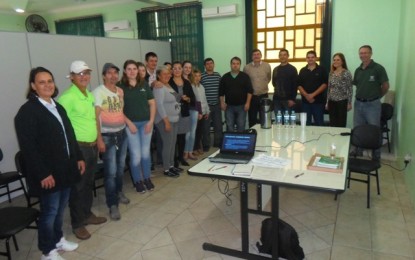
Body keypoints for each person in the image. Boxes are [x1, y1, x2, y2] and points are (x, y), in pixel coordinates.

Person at [15, 67, 84, 260]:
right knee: (50, 212)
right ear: (33, 86)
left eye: (50, 81)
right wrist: (43, 173)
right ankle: (47, 250)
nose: (47, 85)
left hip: (65, 169)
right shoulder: (27, 112)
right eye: (42, 82)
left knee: (61, 208)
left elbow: (69, 135)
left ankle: (58, 238)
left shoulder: (57, 106)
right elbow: (29, 149)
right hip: (48, 174)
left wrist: (78, 156)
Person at [58, 61, 107, 241]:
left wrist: (99, 138)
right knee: (78, 187)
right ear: (71, 77)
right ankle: (78, 224)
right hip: (79, 148)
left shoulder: (88, 94)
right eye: (80, 74)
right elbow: (62, 127)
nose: (84, 76)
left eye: (86, 73)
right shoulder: (67, 97)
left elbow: (94, 119)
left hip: (92, 145)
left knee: (88, 183)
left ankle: (87, 214)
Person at [93, 63, 136, 221]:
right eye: (109, 73)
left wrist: (127, 124)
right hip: (107, 136)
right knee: (110, 173)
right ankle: (112, 204)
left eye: (115, 73)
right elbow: (95, 117)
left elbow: (120, 111)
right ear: (104, 75)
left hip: (121, 133)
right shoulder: (98, 92)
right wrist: (99, 139)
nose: (113, 76)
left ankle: (118, 193)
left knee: (119, 169)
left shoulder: (120, 91)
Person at [118, 60, 156, 193]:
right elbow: (118, 109)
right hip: (131, 126)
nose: (132, 71)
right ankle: (138, 181)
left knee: (145, 153)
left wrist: (151, 121)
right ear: (124, 71)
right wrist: (128, 123)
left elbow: (152, 104)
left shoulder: (143, 84)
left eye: (134, 69)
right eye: (129, 69)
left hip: (146, 124)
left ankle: (147, 178)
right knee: (136, 155)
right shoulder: (120, 87)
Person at [352, 45, 389, 159]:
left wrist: (377, 97)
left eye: (365, 53)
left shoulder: (378, 68)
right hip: (358, 104)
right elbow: (358, 85)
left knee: (374, 130)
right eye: (361, 53)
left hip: (372, 105)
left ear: (371, 54)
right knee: (358, 128)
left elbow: (386, 86)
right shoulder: (358, 70)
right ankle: (358, 151)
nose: (363, 55)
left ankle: (376, 154)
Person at [153, 66, 182, 177]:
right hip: (164, 120)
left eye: (168, 73)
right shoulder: (159, 87)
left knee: (172, 144)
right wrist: (166, 121)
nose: (167, 75)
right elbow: (159, 105)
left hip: (174, 119)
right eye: (164, 74)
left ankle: (171, 165)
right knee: (167, 144)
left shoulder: (168, 85)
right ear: (159, 76)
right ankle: (166, 169)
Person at [169, 61, 196, 167]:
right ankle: (174, 160)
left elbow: (192, 98)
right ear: (171, 70)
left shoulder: (187, 82)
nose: (177, 70)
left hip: (184, 112)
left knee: (182, 137)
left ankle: (181, 158)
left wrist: (188, 99)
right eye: (174, 68)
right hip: (172, 113)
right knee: (173, 138)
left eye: (179, 68)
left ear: (182, 70)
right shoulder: (169, 82)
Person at [219, 56, 253, 132]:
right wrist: (222, 102)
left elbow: (250, 91)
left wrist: (248, 103)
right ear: (230, 65)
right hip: (229, 107)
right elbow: (221, 92)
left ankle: (240, 142)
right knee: (229, 125)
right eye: (233, 63)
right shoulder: (225, 77)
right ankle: (231, 143)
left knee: (241, 125)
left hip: (242, 106)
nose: (235, 65)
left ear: (240, 65)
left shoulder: (245, 77)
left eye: (237, 64)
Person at [297, 50, 328, 126]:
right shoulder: (302, 70)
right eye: (308, 57)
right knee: (305, 124)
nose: (310, 59)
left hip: (318, 102)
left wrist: (312, 95)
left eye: (312, 57)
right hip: (305, 103)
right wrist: (307, 96)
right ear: (306, 59)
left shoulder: (322, 69)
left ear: (316, 58)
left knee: (319, 124)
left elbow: (325, 84)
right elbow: (299, 85)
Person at [243, 49, 271, 127]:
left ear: (261, 55)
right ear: (252, 57)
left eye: (258, 54)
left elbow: (268, 78)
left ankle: (264, 136)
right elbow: (245, 82)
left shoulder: (267, 66)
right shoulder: (246, 68)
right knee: (252, 118)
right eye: (254, 55)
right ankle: (253, 134)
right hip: (252, 97)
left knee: (264, 118)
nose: (256, 56)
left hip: (264, 96)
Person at [325, 53, 353, 127]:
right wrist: (327, 102)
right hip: (332, 102)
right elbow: (329, 89)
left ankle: (341, 139)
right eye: (334, 60)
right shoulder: (331, 73)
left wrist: (349, 103)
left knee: (341, 124)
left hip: (342, 102)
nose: (335, 62)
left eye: (338, 60)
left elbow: (350, 89)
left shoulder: (346, 73)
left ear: (342, 61)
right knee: (332, 124)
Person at [201, 58, 222, 150]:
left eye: (211, 63)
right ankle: (206, 145)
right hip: (206, 106)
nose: (210, 65)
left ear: (214, 64)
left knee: (218, 125)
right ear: (205, 66)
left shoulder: (218, 76)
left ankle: (217, 143)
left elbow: (221, 90)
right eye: (207, 64)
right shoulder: (201, 76)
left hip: (217, 105)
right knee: (206, 126)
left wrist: (222, 102)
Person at [272, 49, 298, 122]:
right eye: (280, 55)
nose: (282, 57)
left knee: (289, 122)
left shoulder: (292, 69)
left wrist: (292, 99)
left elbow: (295, 85)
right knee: (278, 121)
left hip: (288, 100)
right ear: (278, 57)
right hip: (277, 100)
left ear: (288, 56)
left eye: (284, 55)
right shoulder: (275, 69)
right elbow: (274, 83)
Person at [188, 68, 210, 157]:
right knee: (194, 132)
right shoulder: (191, 87)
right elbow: (195, 101)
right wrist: (199, 112)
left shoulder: (201, 87)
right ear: (192, 77)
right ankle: (193, 148)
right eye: (195, 76)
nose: (197, 78)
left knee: (199, 131)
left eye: (199, 76)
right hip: (196, 112)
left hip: (203, 112)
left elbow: (204, 100)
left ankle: (197, 147)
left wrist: (207, 111)